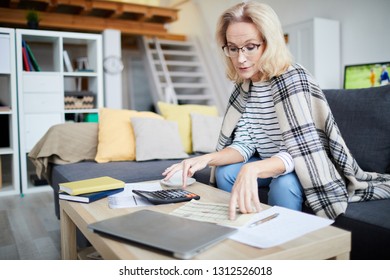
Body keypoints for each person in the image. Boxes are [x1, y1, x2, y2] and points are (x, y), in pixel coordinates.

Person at [163, 1, 390, 220]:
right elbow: (245, 143)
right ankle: (244, 224)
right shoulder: (244, 88)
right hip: (271, 160)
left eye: (250, 47)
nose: (240, 58)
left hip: (301, 164)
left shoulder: (294, 79)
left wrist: (254, 170)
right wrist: (206, 159)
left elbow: (300, 152)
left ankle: (283, 245)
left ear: (269, 42)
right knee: (224, 171)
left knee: (284, 183)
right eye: (232, 48)